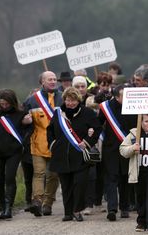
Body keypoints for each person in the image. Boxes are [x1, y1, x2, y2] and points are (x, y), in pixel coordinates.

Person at [47, 87, 101, 222]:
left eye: (73, 100)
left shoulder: (87, 113)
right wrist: (53, 144)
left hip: (80, 155)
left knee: (79, 184)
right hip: (61, 156)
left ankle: (77, 210)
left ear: (78, 100)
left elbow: (97, 128)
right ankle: (67, 212)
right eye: (68, 100)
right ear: (64, 100)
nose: (70, 103)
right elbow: (50, 130)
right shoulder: (58, 113)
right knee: (66, 186)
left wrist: (87, 142)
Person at [0, 89, 32, 219]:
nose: (4, 106)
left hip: (13, 152)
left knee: (10, 178)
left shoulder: (21, 113)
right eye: (2, 103)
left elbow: (29, 129)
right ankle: (1, 207)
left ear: (12, 102)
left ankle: (9, 208)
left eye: (6, 103)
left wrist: (22, 142)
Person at [23, 71, 62, 217]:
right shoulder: (32, 100)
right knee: (38, 173)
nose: (53, 81)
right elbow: (21, 117)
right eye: (49, 79)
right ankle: (37, 201)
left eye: (54, 79)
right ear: (42, 82)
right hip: (38, 142)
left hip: (57, 143)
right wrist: (24, 121)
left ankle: (48, 203)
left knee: (53, 175)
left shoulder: (63, 97)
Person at [98, 84, 137, 221]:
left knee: (125, 178)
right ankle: (112, 209)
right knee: (111, 178)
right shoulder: (106, 107)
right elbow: (99, 124)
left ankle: (125, 207)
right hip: (111, 148)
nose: (127, 98)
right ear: (116, 96)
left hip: (128, 148)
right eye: (123, 96)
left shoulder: (134, 106)